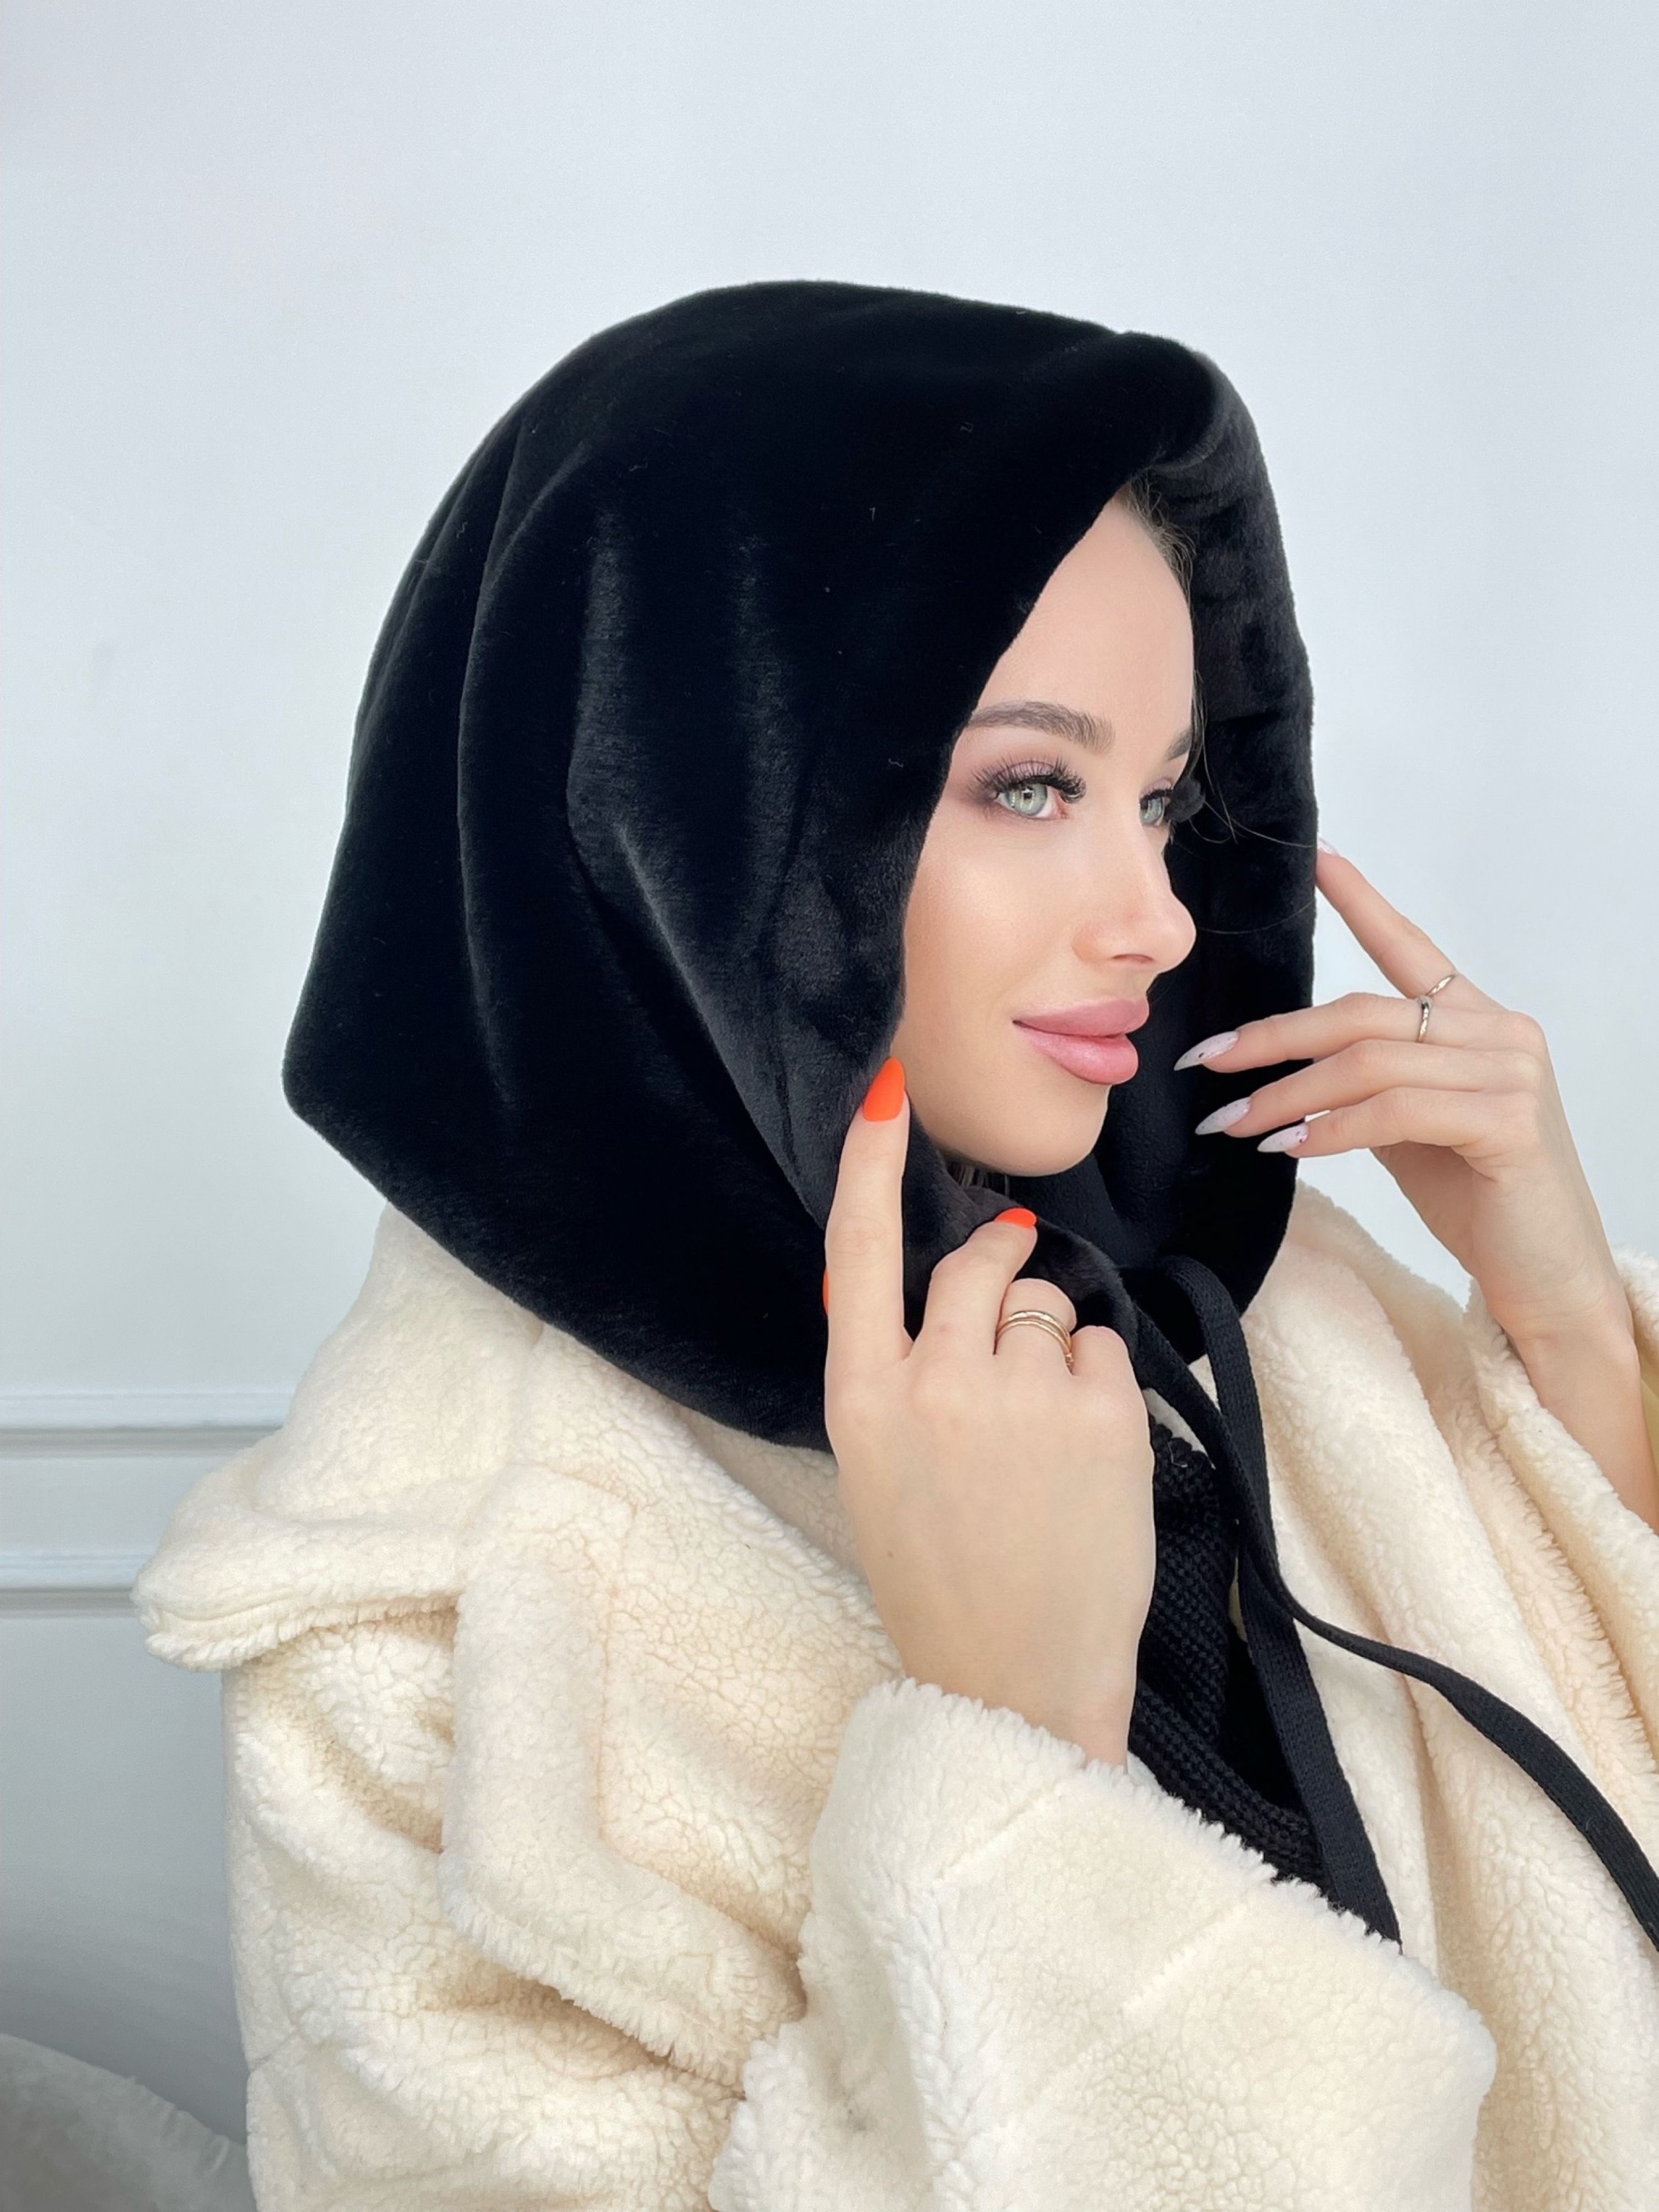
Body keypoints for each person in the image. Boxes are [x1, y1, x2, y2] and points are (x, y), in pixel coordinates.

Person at [134, 279, 1659, 2210]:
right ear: (684, 814)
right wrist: (1024, 1752)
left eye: (1164, 800)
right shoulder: (424, 1627)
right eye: (1030, 784)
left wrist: (1564, 1318)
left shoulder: (1254, 1297)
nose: (1160, 917)